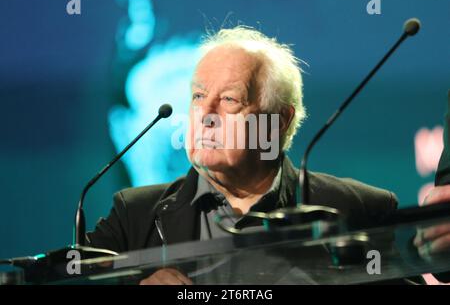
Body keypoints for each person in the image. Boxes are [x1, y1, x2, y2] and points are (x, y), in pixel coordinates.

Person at [87, 27, 450, 285]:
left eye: (229, 99)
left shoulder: (360, 211)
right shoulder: (133, 217)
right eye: (198, 96)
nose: (206, 113)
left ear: (279, 121)